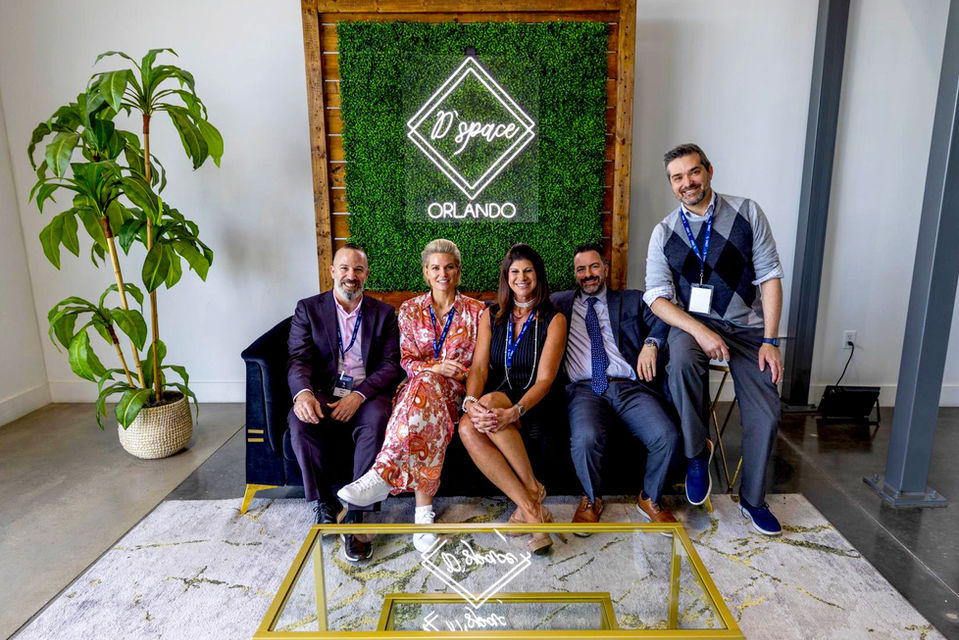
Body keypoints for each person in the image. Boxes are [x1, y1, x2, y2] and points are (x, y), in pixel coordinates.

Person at [645, 143, 785, 536]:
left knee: (767, 412)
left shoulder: (746, 212)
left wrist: (770, 340)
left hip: (748, 328)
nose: (687, 182)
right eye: (677, 177)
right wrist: (700, 330)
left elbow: (770, 276)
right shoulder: (664, 232)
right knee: (681, 361)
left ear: (709, 171)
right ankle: (697, 452)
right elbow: (656, 298)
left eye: (693, 172)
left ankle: (753, 500)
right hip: (694, 325)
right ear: (671, 184)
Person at [337, 239, 486, 553]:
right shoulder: (409, 309)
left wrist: (455, 375)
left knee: (424, 390)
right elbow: (405, 360)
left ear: (458, 272)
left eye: (449, 267)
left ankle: (382, 475)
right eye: (436, 268)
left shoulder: (477, 311)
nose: (443, 273)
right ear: (426, 273)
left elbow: (479, 365)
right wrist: (435, 368)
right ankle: (423, 515)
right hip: (419, 392)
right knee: (424, 390)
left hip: (455, 393)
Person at [287, 242, 404, 562]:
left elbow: (391, 364)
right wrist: (304, 394)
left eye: (358, 269)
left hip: (366, 393)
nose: (351, 275)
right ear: (332, 271)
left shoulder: (384, 314)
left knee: (378, 422)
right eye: (344, 268)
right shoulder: (308, 309)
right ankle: (324, 502)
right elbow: (298, 359)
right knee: (299, 421)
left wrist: (359, 395)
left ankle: (357, 514)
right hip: (322, 391)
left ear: (366, 274)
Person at [551, 243, 680, 530]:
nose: (588, 274)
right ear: (575, 273)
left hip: (628, 386)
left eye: (594, 266)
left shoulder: (632, 299)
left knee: (666, 435)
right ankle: (591, 499)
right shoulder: (559, 303)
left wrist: (651, 343)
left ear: (606, 269)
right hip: (584, 389)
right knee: (586, 438)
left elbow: (664, 318)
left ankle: (650, 497)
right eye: (581, 269)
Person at [459, 243, 568, 555]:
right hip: (497, 397)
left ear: (538, 275)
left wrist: (516, 410)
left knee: (492, 403)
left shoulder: (554, 319)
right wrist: (470, 402)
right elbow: (479, 367)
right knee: (466, 427)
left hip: (535, 400)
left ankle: (530, 505)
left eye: (528, 271)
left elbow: (545, 379)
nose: (522, 278)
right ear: (506, 277)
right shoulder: (491, 315)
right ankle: (531, 503)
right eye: (515, 272)